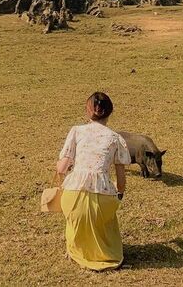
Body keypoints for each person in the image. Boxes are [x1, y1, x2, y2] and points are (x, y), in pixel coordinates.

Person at [56, 91, 132, 271]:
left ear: (88, 111)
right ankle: (105, 253)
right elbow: (121, 181)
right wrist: (119, 193)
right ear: (110, 112)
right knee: (104, 219)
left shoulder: (76, 131)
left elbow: (61, 168)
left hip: (73, 195)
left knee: (77, 216)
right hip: (103, 197)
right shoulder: (116, 138)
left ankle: (78, 249)